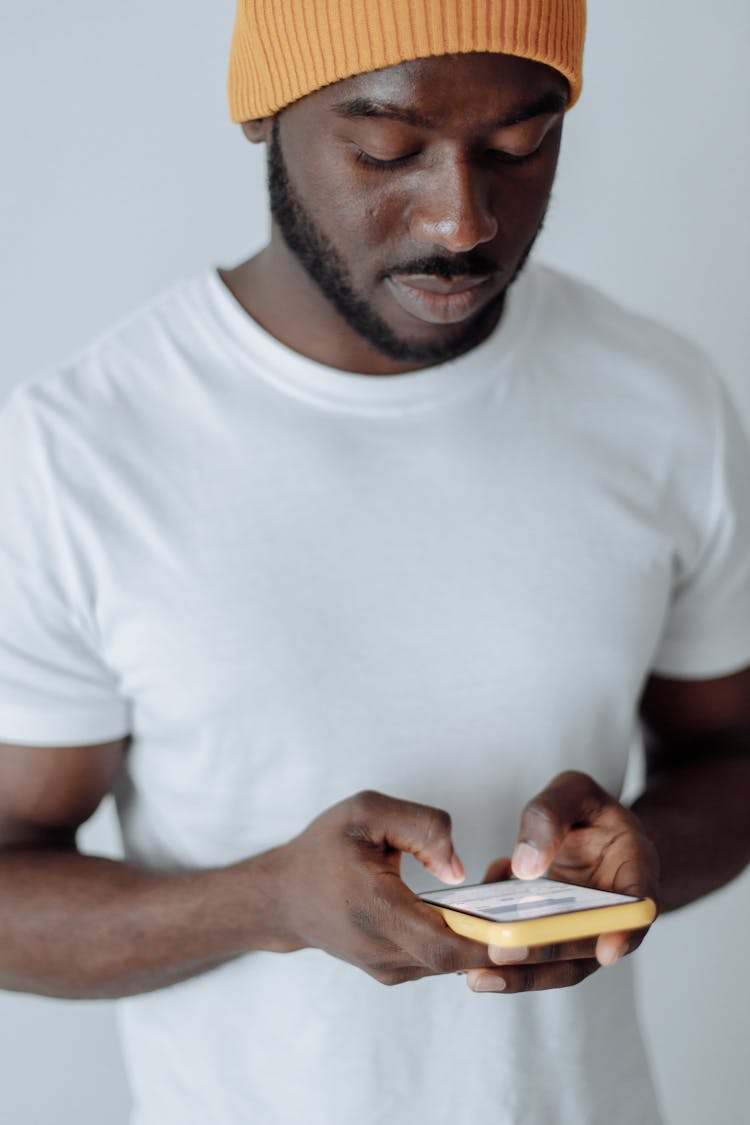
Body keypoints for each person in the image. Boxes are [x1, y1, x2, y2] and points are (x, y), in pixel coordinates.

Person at [0, 1, 748, 1122]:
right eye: (386, 149)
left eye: (521, 145)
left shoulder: (660, 399)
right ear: (267, 119)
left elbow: (731, 758)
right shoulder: (81, 450)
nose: (462, 222)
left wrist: (641, 863)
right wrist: (269, 903)